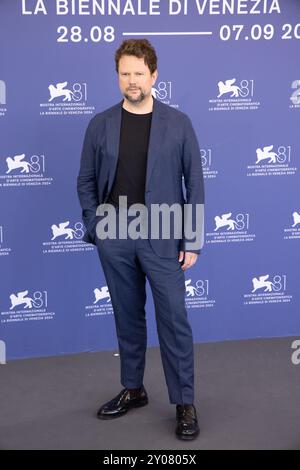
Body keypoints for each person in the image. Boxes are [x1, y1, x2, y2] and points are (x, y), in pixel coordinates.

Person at [77, 39, 204, 441]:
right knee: (127, 317)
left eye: (139, 73)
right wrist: (96, 227)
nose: (132, 81)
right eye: (124, 73)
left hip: (164, 235)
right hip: (115, 235)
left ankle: (184, 402)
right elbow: (86, 181)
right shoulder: (100, 124)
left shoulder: (178, 123)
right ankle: (134, 389)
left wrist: (193, 240)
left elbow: (194, 184)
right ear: (118, 77)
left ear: (154, 75)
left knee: (174, 321)